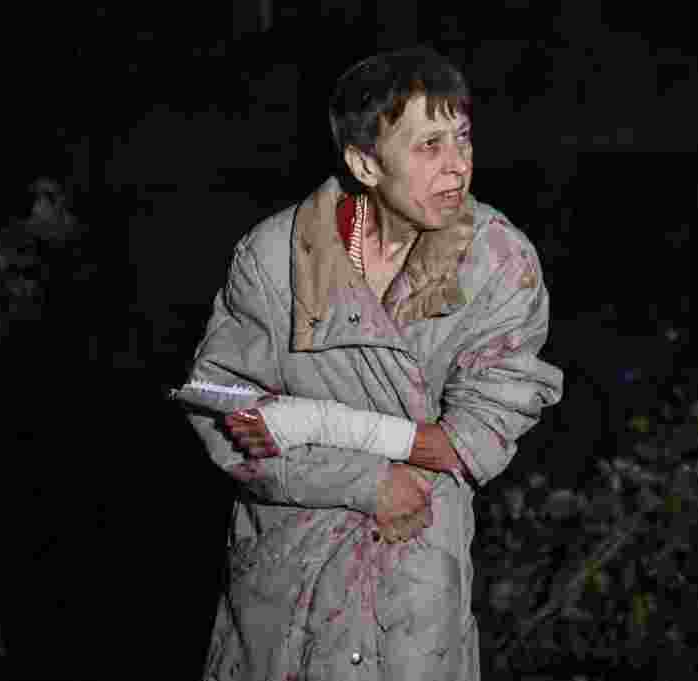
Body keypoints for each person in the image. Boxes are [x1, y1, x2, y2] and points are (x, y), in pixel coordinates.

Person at [184, 46, 563, 681]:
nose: (457, 168)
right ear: (364, 162)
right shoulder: (277, 256)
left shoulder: (498, 262)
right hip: (286, 595)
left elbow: (482, 432)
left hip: (416, 595)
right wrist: (366, 481)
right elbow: (222, 410)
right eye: (428, 146)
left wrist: (314, 424)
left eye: (462, 139)